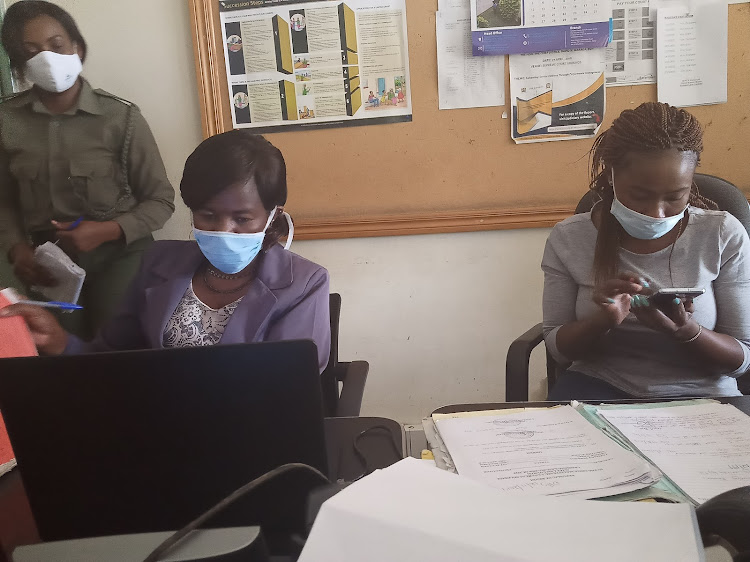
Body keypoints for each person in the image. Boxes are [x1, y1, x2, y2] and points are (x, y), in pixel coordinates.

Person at [0, 131, 331, 372]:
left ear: (272, 213)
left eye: (242, 219)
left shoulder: (303, 284)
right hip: (156, 428)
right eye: (207, 215)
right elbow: (111, 355)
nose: (222, 230)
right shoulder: (159, 263)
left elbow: (285, 386)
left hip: (251, 439)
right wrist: (60, 341)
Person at [542, 102, 750, 400]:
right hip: (597, 389)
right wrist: (602, 322)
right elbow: (559, 352)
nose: (657, 213)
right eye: (639, 195)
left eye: (675, 196)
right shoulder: (569, 238)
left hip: (700, 394)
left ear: (690, 186)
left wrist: (687, 331)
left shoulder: (722, 234)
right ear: (612, 177)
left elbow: (742, 359)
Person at [0, 1, 175, 338]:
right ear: (19, 63)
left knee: (116, 348)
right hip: (47, 261)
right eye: (31, 51)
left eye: (56, 45)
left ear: (77, 48)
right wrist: (17, 248)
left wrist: (106, 230)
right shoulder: (7, 122)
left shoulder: (121, 118)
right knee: (58, 353)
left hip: (118, 254)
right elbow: (3, 200)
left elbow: (161, 201)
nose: (46, 58)